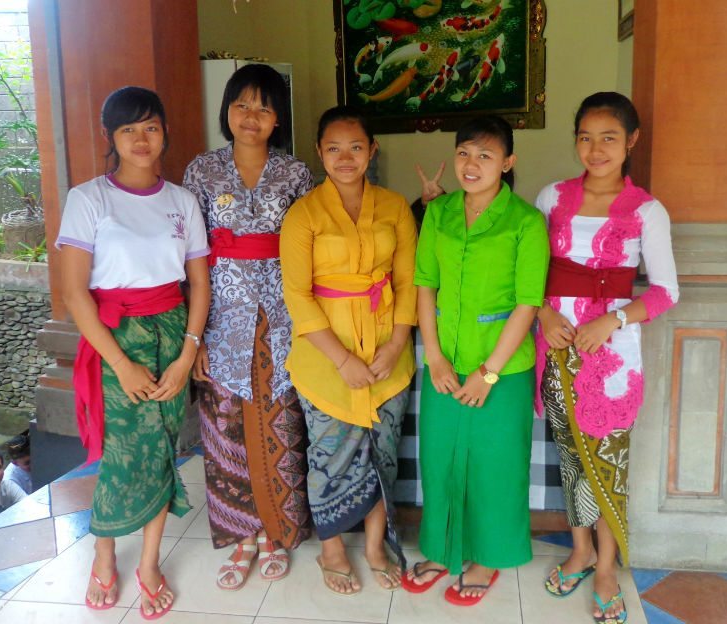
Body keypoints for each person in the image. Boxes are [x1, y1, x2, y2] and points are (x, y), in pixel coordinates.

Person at [57, 86, 210, 619]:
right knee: (121, 457)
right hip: (113, 338)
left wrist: (187, 354)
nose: (141, 139)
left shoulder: (182, 201)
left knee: (164, 448)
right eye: (128, 130)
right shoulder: (88, 198)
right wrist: (120, 363)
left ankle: (147, 562)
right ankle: (104, 552)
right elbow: (76, 293)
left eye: (150, 127)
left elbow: (198, 282)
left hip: (172, 332)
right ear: (111, 138)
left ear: (164, 130)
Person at [535, 92, 678, 624]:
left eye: (608, 138)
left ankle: (606, 568)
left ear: (631, 142)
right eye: (585, 137)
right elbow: (529, 270)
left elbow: (664, 292)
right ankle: (579, 550)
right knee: (569, 455)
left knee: (607, 463)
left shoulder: (647, 210)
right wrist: (545, 317)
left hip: (614, 357)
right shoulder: (552, 197)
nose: (595, 149)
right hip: (557, 345)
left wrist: (612, 319)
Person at [403, 115, 550, 606]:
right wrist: (436, 359)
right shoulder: (440, 214)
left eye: (486, 155)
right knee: (440, 461)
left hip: (503, 371)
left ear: (507, 162)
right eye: (465, 153)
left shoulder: (526, 222)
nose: (472, 164)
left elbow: (528, 304)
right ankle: (444, 551)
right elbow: (425, 286)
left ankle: (487, 558)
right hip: (445, 364)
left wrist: (488, 373)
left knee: (495, 467)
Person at [183, 63, 312, 591]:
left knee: (282, 424)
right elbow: (189, 255)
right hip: (221, 321)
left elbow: (311, 249)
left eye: (263, 106)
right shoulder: (201, 172)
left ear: (278, 117)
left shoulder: (297, 174)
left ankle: (277, 531)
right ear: (227, 111)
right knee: (226, 431)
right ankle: (241, 536)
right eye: (242, 105)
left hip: (283, 318)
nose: (251, 117)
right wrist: (196, 336)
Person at [280, 105, 417, 595]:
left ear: (372, 150)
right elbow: (297, 294)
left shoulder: (396, 207)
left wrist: (397, 343)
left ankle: (376, 545)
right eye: (333, 148)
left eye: (355, 147)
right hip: (325, 358)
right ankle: (333, 549)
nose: (345, 157)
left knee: (383, 454)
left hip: (387, 352)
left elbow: (407, 281)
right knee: (329, 455)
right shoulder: (303, 214)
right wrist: (342, 359)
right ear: (319, 151)